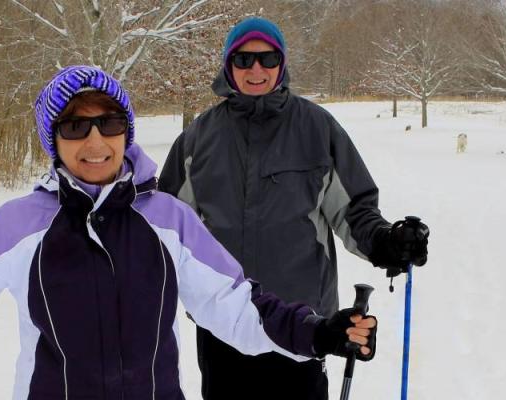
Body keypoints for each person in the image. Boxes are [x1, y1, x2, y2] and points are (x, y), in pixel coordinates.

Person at [0, 65, 379, 400]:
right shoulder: (22, 225)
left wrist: (319, 332)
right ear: (52, 140)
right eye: (74, 126)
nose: (94, 141)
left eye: (110, 123)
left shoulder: (166, 219)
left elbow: (237, 305)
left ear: (127, 132)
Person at [158, 17, 430, 400]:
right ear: (228, 65)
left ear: (282, 64)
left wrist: (386, 242)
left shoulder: (317, 128)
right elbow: (166, 224)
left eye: (268, 59)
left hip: (304, 322)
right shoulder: (198, 138)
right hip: (223, 322)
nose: (257, 69)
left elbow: (354, 211)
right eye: (244, 60)